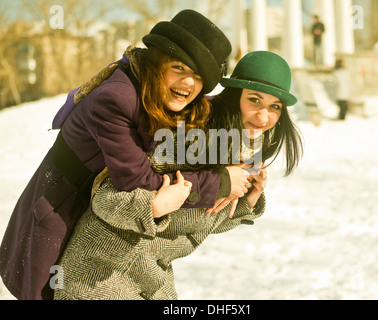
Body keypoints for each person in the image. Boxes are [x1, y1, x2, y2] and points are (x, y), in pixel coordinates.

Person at [0, 10, 246, 300]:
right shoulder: (116, 98)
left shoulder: (162, 91)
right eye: (179, 68)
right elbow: (137, 179)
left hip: (107, 223)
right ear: (158, 61)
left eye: (198, 76)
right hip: (63, 211)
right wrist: (219, 183)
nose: (188, 83)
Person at [53, 50, 303, 300]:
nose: (263, 116)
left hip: (151, 279)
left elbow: (198, 221)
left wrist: (248, 198)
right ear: (235, 96)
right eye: (254, 100)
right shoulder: (193, 140)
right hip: (100, 276)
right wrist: (155, 205)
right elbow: (106, 199)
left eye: (275, 107)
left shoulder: (242, 153)